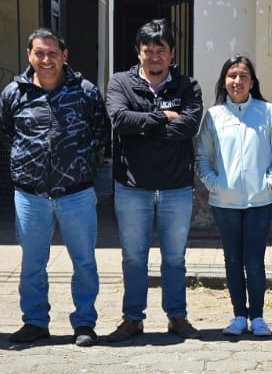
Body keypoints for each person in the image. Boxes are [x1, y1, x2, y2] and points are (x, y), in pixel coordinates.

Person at [0, 28, 109, 346]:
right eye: (39, 53)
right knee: (32, 263)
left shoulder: (85, 91)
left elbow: (101, 132)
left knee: (84, 261)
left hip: (77, 193)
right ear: (29, 55)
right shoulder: (14, 93)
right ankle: (35, 322)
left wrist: (80, 166)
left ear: (64, 55)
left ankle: (84, 322)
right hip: (30, 195)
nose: (46, 59)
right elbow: (6, 133)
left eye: (52, 53)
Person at [104, 19, 204, 342]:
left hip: (176, 187)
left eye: (161, 50)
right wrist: (163, 117)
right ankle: (133, 318)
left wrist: (145, 127)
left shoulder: (187, 86)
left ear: (172, 53)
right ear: (138, 52)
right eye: (148, 50)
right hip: (133, 187)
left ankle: (177, 316)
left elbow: (189, 126)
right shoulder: (121, 82)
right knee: (134, 258)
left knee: (174, 258)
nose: (154, 56)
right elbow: (120, 120)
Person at [195, 55, 272, 338]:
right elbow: (202, 157)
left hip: (259, 201)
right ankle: (238, 315)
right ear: (224, 80)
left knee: (254, 261)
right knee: (233, 260)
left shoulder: (266, 111)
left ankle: (258, 317)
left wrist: (269, 184)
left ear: (252, 82)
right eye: (232, 76)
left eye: (243, 76)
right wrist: (215, 184)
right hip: (225, 202)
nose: (237, 81)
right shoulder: (214, 115)